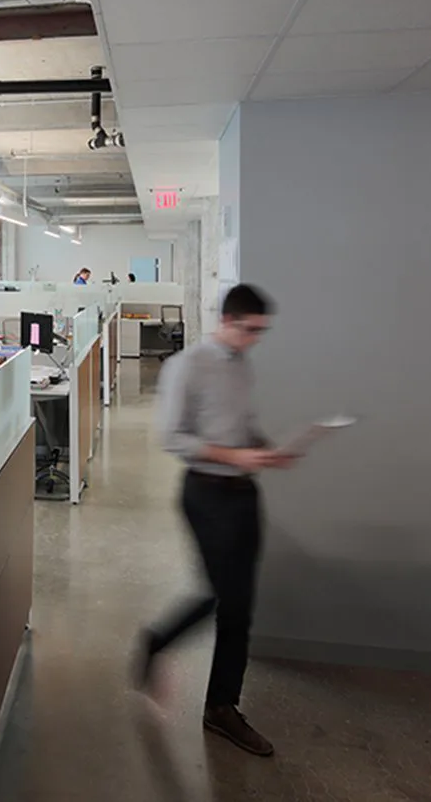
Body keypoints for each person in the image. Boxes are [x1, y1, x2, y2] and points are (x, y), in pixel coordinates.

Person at [136, 284, 296, 758]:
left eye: (261, 332)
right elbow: (172, 437)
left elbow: (241, 424)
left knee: (239, 607)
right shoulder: (188, 365)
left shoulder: (243, 366)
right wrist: (233, 454)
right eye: (249, 330)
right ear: (227, 320)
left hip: (244, 492)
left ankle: (221, 706)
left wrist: (264, 449)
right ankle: (158, 643)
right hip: (205, 494)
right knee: (221, 596)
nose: (254, 340)